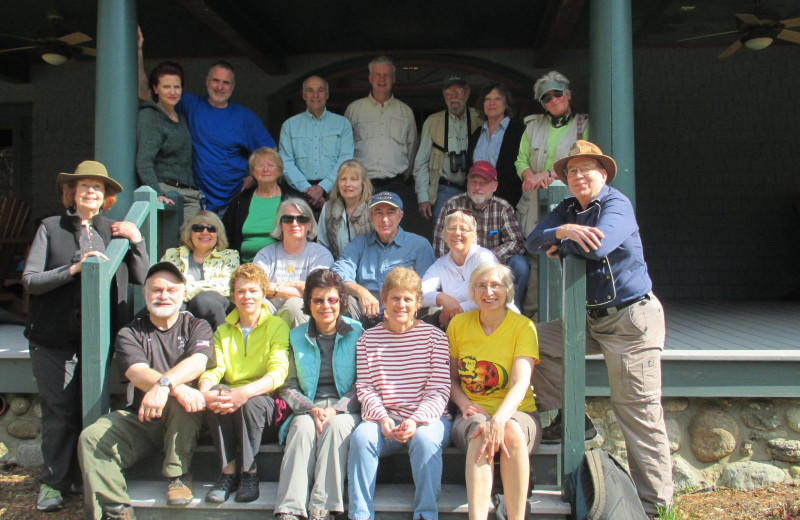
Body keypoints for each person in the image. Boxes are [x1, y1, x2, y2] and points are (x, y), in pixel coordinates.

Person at [526, 140, 673, 516]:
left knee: (636, 414)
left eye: (586, 169)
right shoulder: (567, 209)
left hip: (630, 322)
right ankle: (570, 416)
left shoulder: (617, 204)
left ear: (603, 173)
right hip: (588, 321)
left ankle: (656, 507)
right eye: (571, 171)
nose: (578, 176)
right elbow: (533, 240)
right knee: (530, 340)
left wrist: (566, 241)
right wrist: (564, 232)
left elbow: (598, 248)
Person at [23, 160, 148, 513]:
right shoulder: (51, 227)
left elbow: (141, 275)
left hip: (100, 340)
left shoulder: (115, 230)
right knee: (59, 412)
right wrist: (74, 268)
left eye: (97, 187)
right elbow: (31, 280)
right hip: (53, 338)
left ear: (106, 196)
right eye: (84, 187)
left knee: (91, 411)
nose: (91, 192)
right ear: (72, 193)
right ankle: (52, 483)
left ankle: (86, 477)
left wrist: (136, 241)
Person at [78, 262, 214, 520]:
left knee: (183, 400)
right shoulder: (130, 332)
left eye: (171, 290)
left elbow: (198, 362)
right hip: (143, 416)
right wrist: (171, 387)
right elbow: (135, 372)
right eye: (156, 290)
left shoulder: (198, 326)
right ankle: (116, 511)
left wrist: (164, 387)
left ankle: (178, 475)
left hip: (186, 419)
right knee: (92, 437)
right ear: (144, 293)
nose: (164, 295)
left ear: (183, 293)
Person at [347, 267, 451, 520]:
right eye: (394, 298)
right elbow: (366, 387)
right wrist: (382, 418)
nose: (400, 304)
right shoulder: (367, 340)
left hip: (428, 420)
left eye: (407, 299)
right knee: (362, 437)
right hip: (385, 421)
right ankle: (360, 515)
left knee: (426, 440)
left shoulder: (435, 338)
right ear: (383, 301)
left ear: (417, 304)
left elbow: (439, 389)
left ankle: (425, 514)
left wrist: (415, 421)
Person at [138, 31, 276, 213]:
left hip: (234, 202)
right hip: (197, 200)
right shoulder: (190, 105)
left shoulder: (244, 117)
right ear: (207, 81)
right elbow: (146, 92)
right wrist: (138, 50)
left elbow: (271, 153)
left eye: (226, 83)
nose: (220, 87)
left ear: (233, 86)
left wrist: (253, 177)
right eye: (216, 81)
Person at [447, 262, 541, 520]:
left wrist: (498, 419)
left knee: (509, 429)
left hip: (518, 413)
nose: (489, 292)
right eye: (481, 286)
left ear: (507, 290)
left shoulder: (523, 327)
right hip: (472, 411)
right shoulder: (458, 325)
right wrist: (464, 404)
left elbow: (521, 383)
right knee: (479, 431)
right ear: (473, 291)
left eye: (496, 285)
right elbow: (452, 379)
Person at [274, 269, 363, 520]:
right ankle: (290, 509)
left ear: (341, 302)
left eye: (332, 300)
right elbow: (288, 386)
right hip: (308, 406)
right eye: (318, 300)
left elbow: (363, 383)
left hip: (346, 408)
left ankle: (322, 509)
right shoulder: (296, 336)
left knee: (335, 428)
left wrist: (336, 408)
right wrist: (310, 408)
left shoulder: (357, 333)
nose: (326, 306)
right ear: (309, 304)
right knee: (302, 429)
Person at [198, 263, 291, 504]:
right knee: (218, 394)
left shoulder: (277, 326)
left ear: (262, 294)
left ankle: (249, 473)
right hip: (232, 402)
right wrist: (204, 391)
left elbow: (278, 373)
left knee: (250, 402)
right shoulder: (222, 331)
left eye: (252, 290)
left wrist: (245, 392)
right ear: (232, 296)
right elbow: (215, 369)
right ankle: (227, 473)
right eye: (240, 291)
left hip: (265, 403)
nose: (246, 297)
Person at [433, 161, 528, 310]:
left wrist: (492, 256)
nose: (477, 187)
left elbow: (516, 242)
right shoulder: (452, 205)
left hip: (494, 268)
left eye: (483, 183)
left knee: (520, 264)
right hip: (459, 267)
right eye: (473, 182)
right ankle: (455, 310)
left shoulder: (503, 207)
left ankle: (509, 310)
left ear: (494, 186)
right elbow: (440, 246)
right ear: (467, 184)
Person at [333, 191, 435, 327]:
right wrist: (362, 292)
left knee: (435, 308)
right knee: (339, 299)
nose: (384, 219)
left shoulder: (419, 245)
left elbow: (428, 287)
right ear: (371, 216)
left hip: (405, 314)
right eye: (379, 213)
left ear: (400, 216)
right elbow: (338, 276)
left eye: (390, 212)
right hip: (366, 315)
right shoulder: (358, 244)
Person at [515, 71, 588, 237]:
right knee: (534, 255)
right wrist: (530, 177)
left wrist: (548, 175)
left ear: (568, 95)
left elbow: (584, 162)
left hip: (568, 202)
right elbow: (521, 160)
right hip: (533, 206)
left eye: (557, 94)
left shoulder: (583, 126)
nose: (554, 100)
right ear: (543, 104)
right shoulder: (533, 126)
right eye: (547, 98)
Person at [254, 198, 334, 328]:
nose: (294, 223)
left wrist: (273, 287)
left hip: (304, 314)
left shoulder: (320, 254)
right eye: (287, 219)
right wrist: (294, 285)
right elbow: (255, 287)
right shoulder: (265, 254)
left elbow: (315, 292)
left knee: (294, 305)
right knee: (257, 303)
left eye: (301, 219)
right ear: (280, 224)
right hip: (270, 311)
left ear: (309, 224)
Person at [136, 60, 200, 222]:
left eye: (176, 87)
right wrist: (157, 194)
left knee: (199, 240)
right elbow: (144, 161)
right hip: (167, 192)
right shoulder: (150, 116)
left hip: (190, 194)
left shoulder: (182, 118)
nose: (172, 92)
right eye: (166, 87)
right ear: (156, 89)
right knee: (173, 246)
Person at [344, 56, 417, 196]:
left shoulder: (406, 112)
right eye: (377, 75)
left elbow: (411, 147)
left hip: (395, 185)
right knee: (360, 219)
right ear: (370, 78)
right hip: (360, 184)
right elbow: (345, 148)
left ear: (394, 79)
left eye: (387, 75)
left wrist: (403, 176)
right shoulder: (353, 110)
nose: (382, 79)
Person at [279, 75, 354, 210]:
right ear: (303, 95)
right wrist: (307, 189)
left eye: (320, 90)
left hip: (335, 193)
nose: (315, 95)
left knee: (335, 231)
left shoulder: (343, 124)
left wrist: (322, 188)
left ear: (327, 94)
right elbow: (285, 162)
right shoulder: (289, 126)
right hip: (298, 193)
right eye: (310, 90)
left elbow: (346, 159)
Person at [413, 74, 481, 222]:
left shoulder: (480, 118)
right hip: (444, 189)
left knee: (476, 236)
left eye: (458, 91)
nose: (453, 96)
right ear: (444, 95)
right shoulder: (432, 122)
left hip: (476, 188)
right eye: (449, 92)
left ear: (467, 93)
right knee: (444, 238)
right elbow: (421, 162)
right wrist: (423, 197)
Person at [421, 210, 502, 329]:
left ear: (473, 235)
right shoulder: (441, 264)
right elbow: (419, 294)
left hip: (493, 323)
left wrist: (457, 310)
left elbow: (491, 295)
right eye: (452, 228)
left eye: (463, 229)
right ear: (444, 234)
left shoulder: (484, 258)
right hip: (460, 325)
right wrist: (442, 298)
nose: (457, 233)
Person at [161, 210, 239, 330]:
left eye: (211, 228)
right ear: (189, 232)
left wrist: (184, 290)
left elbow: (226, 286)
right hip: (180, 306)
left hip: (214, 309)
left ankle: (220, 343)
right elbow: (162, 282)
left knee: (204, 300)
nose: (205, 232)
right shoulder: (173, 254)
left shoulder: (229, 255)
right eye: (198, 228)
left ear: (218, 234)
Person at [467, 83, 526, 208]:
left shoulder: (520, 131)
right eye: (487, 99)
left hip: (509, 203)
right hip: (477, 202)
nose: (491, 103)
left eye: (497, 99)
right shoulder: (477, 134)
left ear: (506, 104)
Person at [223, 147, 287, 262]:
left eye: (271, 165)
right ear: (252, 171)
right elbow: (226, 234)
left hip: (282, 266)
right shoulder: (240, 201)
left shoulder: (292, 198)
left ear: (280, 170)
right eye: (260, 165)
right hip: (245, 265)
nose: (265, 169)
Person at [317, 159, 374, 260]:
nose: (347, 184)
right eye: (343, 179)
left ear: (363, 183)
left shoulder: (374, 207)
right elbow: (322, 247)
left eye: (353, 179)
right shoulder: (328, 208)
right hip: (338, 270)